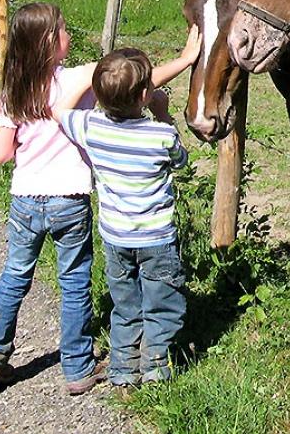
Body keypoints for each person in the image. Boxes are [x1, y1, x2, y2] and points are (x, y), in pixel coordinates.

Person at [54, 27, 201, 393]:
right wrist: (164, 113)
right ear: (145, 95)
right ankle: (154, 368)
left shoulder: (90, 127)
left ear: (100, 96)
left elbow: (59, 110)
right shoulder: (160, 135)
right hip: (157, 239)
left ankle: (122, 370)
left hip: (115, 238)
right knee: (162, 302)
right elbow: (180, 161)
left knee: (125, 305)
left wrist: (92, 79)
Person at [0, 2, 105, 396]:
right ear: (50, 42)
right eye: (63, 29)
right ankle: (78, 368)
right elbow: (124, 71)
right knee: (75, 280)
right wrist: (185, 58)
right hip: (70, 197)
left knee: (16, 274)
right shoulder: (77, 79)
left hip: (27, 198)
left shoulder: (13, 88)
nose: (69, 34)